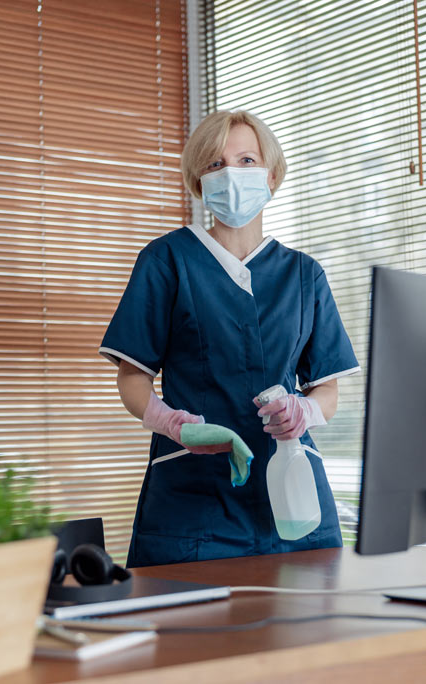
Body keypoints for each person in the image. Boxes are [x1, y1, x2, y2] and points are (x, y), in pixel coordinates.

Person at [98, 110, 360, 568]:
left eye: (246, 160)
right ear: (199, 181)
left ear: (271, 174)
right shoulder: (167, 260)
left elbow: (328, 387)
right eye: (215, 164)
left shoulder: (304, 274)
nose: (231, 174)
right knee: (190, 635)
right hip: (193, 502)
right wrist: (171, 422)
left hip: (295, 500)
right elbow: (132, 377)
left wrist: (306, 410)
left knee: (309, 630)